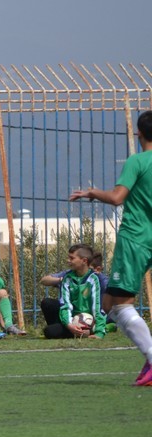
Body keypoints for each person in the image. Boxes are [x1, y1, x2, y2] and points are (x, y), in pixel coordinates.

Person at [69, 110, 152, 385]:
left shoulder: (138, 161)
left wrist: (92, 192)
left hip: (136, 238)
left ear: (138, 133)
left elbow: (117, 198)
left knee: (121, 305)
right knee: (109, 302)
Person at [41, 244, 105, 339]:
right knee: (49, 331)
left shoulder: (95, 279)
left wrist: (99, 333)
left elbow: (97, 307)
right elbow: (65, 305)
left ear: (84, 261)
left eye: (72, 258)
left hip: (90, 321)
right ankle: (77, 332)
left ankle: (92, 330)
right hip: (72, 320)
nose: (68, 260)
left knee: (52, 332)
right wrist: (69, 325)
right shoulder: (67, 278)